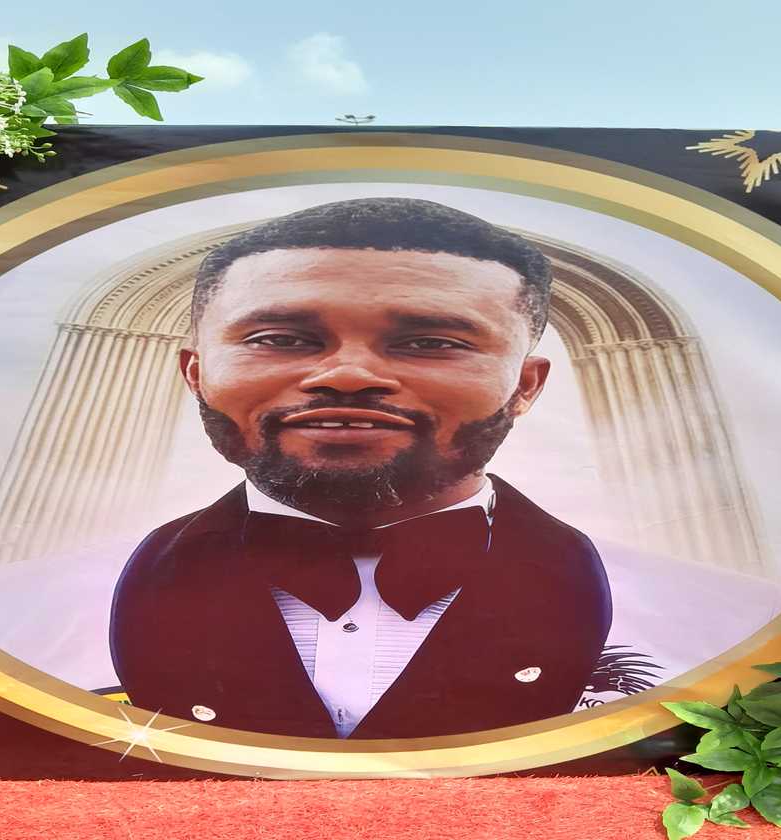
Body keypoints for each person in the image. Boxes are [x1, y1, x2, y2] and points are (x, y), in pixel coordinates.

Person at [109, 197, 613, 739]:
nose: (348, 376)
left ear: (525, 385)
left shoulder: (687, 618)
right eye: (280, 339)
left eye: (429, 343)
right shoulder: (35, 615)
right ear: (196, 373)